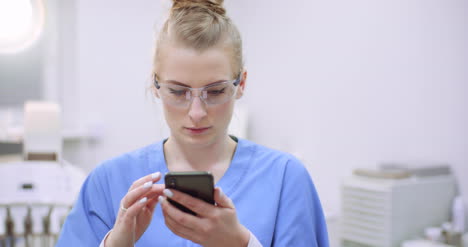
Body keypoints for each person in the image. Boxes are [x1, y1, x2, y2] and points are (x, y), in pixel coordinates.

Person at [56, 0, 329, 246]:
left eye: (215, 91)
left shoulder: (285, 179)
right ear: (155, 85)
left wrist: (240, 244)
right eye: (177, 92)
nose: (196, 112)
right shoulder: (108, 183)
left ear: (241, 84)